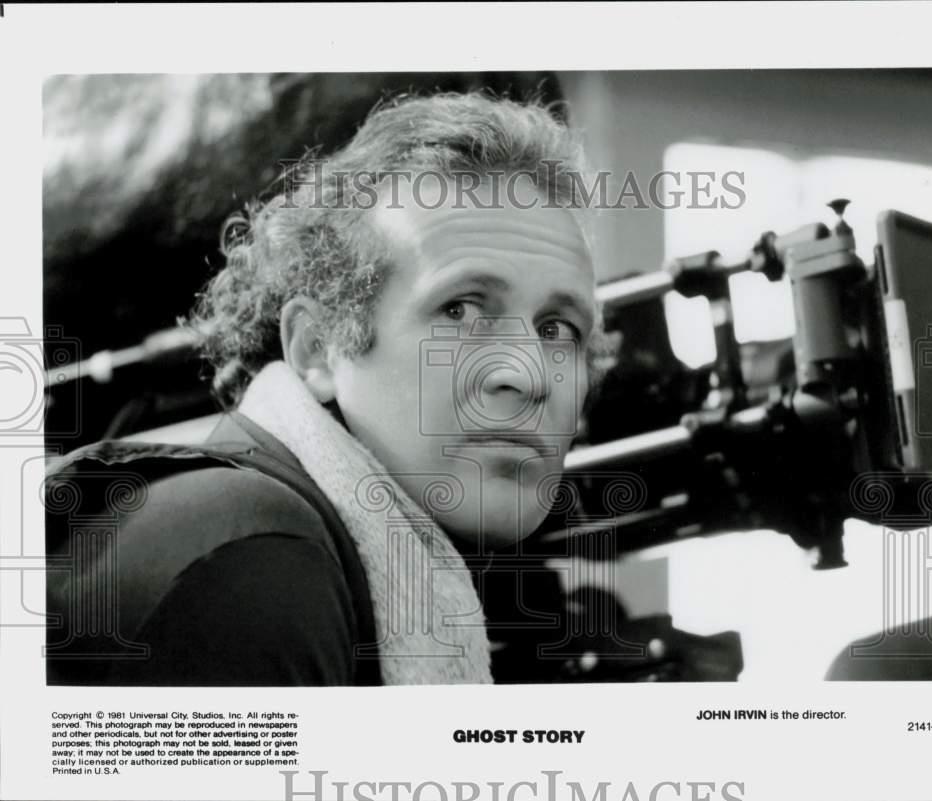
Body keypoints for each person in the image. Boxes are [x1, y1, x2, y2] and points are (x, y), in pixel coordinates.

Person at [45, 92, 602, 686]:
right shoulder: (253, 564)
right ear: (316, 348)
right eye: (460, 309)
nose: (528, 374)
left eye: (557, 329)